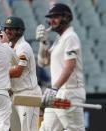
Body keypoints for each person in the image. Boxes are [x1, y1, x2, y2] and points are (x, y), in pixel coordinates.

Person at [36, 3, 86, 131]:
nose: (51, 21)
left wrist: (54, 87)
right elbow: (43, 63)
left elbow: (70, 66)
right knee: (46, 129)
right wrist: (43, 43)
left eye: (55, 17)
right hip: (57, 92)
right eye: (50, 17)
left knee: (75, 129)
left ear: (66, 18)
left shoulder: (70, 37)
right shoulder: (60, 38)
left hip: (70, 91)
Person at [2, 16, 42, 131]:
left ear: (19, 31)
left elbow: (18, 72)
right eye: (6, 29)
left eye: (11, 29)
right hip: (14, 95)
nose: (7, 31)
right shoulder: (8, 46)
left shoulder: (24, 47)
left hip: (28, 94)